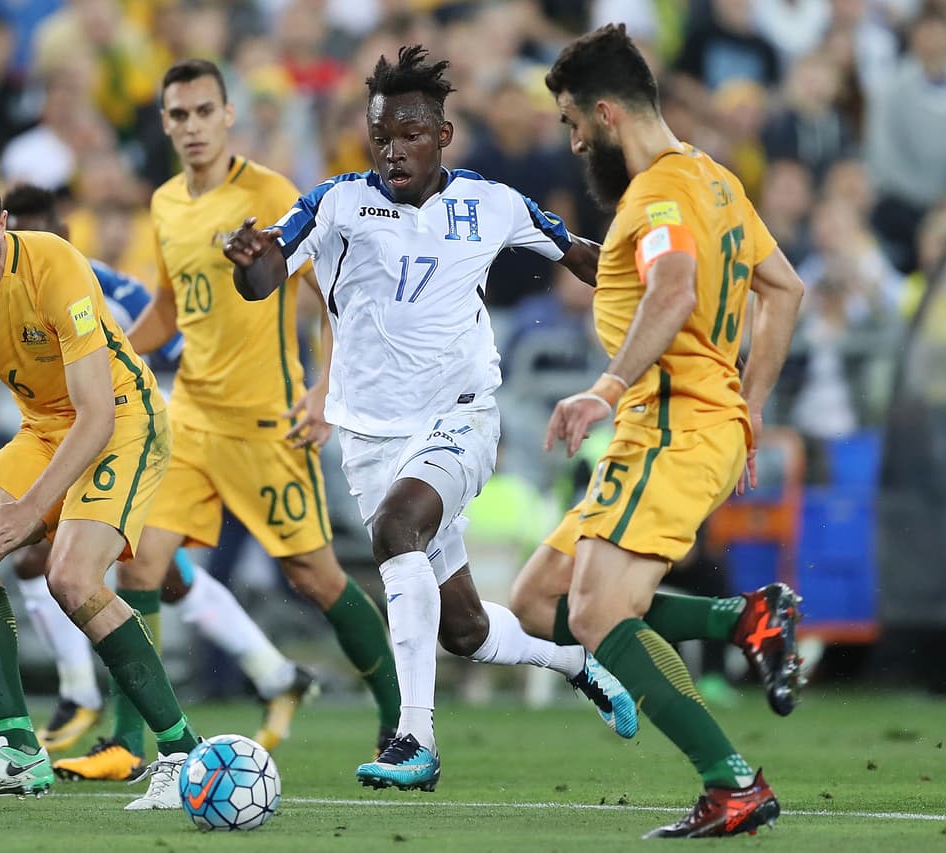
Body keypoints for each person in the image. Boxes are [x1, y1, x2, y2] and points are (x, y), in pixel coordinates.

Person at [224, 45, 638, 794]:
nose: (393, 149)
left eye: (411, 133)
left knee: (395, 531)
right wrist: (249, 256)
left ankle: (413, 737)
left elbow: (584, 257)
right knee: (466, 631)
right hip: (369, 435)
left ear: (443, 135)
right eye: (381, 135)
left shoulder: (492, 204)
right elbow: (263, 277)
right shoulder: (337, 202)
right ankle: (577, 662)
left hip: (461, 416)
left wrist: (666, 276)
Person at [50, 60, 400, 801]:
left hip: (268, 422)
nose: (191, 126)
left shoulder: (270, 194)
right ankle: (128, 743)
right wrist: (102, 358)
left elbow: (333, 293)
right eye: (177, 115)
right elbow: (172, 312)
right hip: (192, 418)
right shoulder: (166, 203)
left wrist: (325, 389)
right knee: (139, 567)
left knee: (315, 576)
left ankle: (402, 717)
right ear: (166, 122)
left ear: (228, 114)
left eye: (204, 111)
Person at [506, 25, 806, 838]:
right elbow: (785, 288)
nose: (572, 143)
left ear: (606, 113)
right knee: (540, 602)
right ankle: (744, 619)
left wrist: (605, 387)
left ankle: (732, 782)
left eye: (573, 124)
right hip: (687, 424)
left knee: (600, 614)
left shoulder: (659, 194)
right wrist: (750, 406)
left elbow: (672, 285)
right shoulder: (714, 178)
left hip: (668, 425)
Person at [0, 161, 202, 807]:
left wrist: (31, 508)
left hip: (123, 417)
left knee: (72, 576)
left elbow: (98, 411)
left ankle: (183, 754)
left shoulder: (54, 263)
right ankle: (21, 750)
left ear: (2, 224)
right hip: (47, 426)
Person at [0, 185, 319, 767]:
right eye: (13, 233)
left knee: (48, 560)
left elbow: (176, 341)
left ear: (62, 232)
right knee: (162, 574)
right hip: (73, 437)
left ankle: (81, 695)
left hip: (128, 432)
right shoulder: (2, 289)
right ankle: (274, 673)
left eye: (34, 231)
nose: (20, 245)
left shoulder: (106, 288)